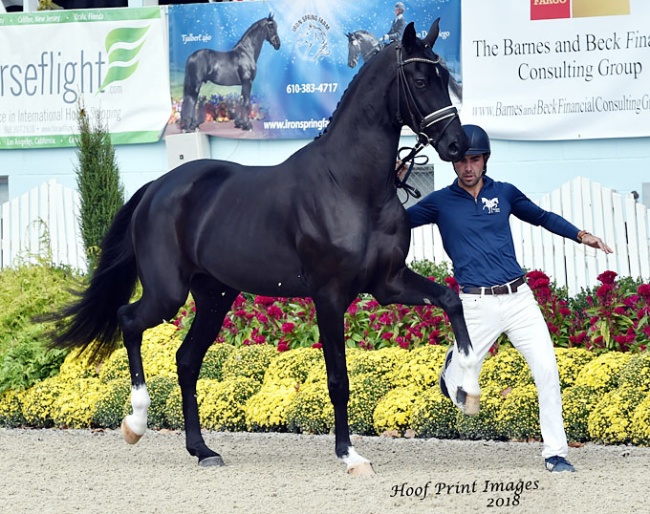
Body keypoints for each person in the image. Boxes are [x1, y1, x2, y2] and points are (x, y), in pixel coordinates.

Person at [404, 124, 613, 473]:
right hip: (475, 304)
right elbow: (396, 221)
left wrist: (580, 235)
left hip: (519, 300)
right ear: (453, 163)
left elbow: (542, 217)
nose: (468, 167)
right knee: (459, 392)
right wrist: (387, 182)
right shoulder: (440, 202)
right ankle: (452, 370)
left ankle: (555, 453)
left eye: (474, 159)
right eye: (461, 161)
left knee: (547, 370)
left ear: (485, 160)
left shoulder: (504, 193)